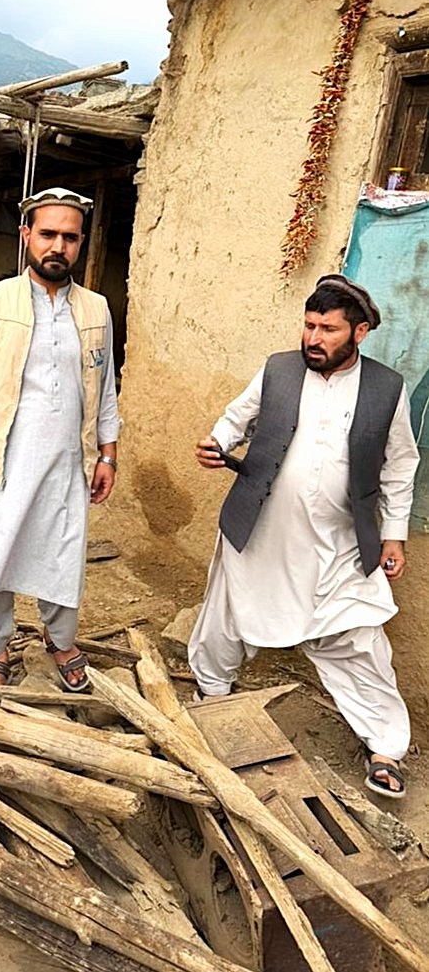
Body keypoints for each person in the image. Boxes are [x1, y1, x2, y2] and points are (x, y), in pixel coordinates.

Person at [188, 275, 420, 798]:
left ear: (359, 332)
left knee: (358, 636)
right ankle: (212, 693)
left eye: (329, 329)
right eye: (310, 325)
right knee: (226, 614)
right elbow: (236, 418)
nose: (314, 338)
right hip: (261, 528)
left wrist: (394, 536)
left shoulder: (387, 389)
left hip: (340, 540)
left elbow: (401, 466)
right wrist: (217, 442)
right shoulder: (278, 369)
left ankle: (385, 746)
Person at [0, 186, 121, 691]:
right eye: (48, 234)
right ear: (26, 237)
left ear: (80, 244)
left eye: (70, 237)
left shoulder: (96, 309)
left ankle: (60, 640)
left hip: (68, 465)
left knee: (63, 554)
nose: (58, 246)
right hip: (2, 464)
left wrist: (108, 454)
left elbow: (105, 391)